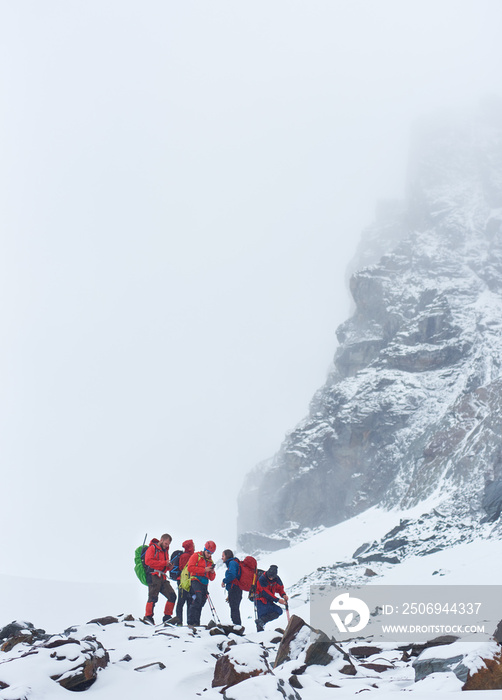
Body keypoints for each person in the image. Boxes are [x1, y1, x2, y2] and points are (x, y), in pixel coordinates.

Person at [143, 533, 177, 625]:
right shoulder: (152, 548)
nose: (167, 546)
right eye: (166, 543)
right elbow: (148, 561)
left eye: (168, 544)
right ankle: (148, 617)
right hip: (153, 575)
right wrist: (164, 563)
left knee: (172, 595)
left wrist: (169, 567)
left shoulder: (165, 550)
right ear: (161, 540)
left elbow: (164, 565)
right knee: (153, 597)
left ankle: (167, 617)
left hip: (162, 576)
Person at [186, 540, 217, 626]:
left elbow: (212, 578)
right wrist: (204, 570)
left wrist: (211, 572)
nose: (209, 555)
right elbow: (190, 568)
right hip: (195, 580)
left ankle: (196, 622)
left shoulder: (210, 562)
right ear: (204, 549)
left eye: (211, 553)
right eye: (208, 552)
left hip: (204, 583)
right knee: (197, 599)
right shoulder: (196, 556)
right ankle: (191, 622)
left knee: (201, 601)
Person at [255, 565, 288, 632]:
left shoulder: (276, 579)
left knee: (279, 611)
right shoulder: (262, 579)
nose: (271, 578)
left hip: (269, 601)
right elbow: (265, 593)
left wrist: (283, 594)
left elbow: (280, 588)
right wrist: (277, 600)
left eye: (272, 577)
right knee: (260, 620)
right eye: (269, 576)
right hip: (260, 600)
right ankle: (260, 634)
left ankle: (262, 621)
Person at [175, 539, 195, 625]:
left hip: (182, 581)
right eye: (193, 545)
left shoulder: (186, 555)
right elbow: (186, 569)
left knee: (182, 602)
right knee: (187, 602)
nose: (194, 546)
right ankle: (188, 622)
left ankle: (180, 621)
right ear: (190, 547)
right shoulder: (187, 556)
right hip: (184, 581)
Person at [221, 549, 242, 626]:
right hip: (236, 589)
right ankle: (237, 626)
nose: (222, 558)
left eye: (223, 556)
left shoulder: (232, 563)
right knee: (234, 608)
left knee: (234, 609)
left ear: (227, 556)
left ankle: (237, 627)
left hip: (235, 589)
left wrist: (224, 581)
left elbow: (232, 575)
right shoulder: (234, 562)